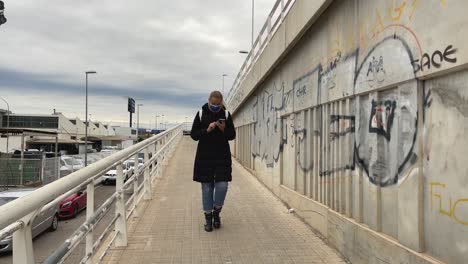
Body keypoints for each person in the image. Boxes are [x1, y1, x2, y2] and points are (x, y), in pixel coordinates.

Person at [190, 90, 236, 232]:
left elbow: (232, 135)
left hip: (222, 156)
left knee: (222, 186)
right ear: (209, 101)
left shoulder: (226, 115)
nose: (215, 106)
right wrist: (207, 130)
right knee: (207, 188)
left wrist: (223, 129)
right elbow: (194, 135)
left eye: (218, 104)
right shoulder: (201, 113)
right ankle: (208, 218)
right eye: (213, 103)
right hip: (204, 157)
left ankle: (217, 212)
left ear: (221, 103)